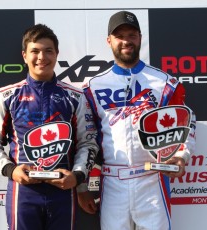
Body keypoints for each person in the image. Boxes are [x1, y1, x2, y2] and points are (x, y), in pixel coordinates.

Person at [77, 11, 196, 230]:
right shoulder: (92, 87)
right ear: (109, 41)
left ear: (140, 37)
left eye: (131, 35)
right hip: (113, 181)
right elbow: (85, 137)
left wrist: (181, 156)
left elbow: (187, 124)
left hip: (152, 178)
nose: (126, 41)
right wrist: (82, 186)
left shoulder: (165, 83)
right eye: (119, 36)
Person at [0, 24, 98, 230]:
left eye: (48, 51)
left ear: (57, 54)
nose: (42, 57)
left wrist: (77, 177)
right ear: (24, 56)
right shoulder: (7, 96)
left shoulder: (75, 96)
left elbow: (88, 143)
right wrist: (11, 170)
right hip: (23, 193)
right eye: (35, 51)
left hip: (63, 192)